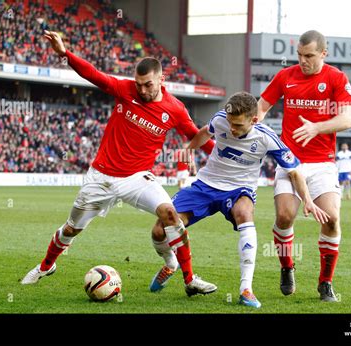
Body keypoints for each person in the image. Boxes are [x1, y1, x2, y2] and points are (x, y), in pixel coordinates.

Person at [21, 30, 217, 296]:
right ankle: (46, 266)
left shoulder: (175, 109)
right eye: (139, 84)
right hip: (100, 177)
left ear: (162, 78)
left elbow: (196, 136)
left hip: (137, 178)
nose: (143, 89)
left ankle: (189, 279)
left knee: (169, 214)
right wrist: (64, 54)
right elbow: (94, 75)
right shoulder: (125, 90)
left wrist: (223, 153)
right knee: (71, 228)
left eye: (148, 84)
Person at [149, 92, 329, 308]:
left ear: (254, 120)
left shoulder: (267, 137)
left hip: (239, 189)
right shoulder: (221, 120)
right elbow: (206, 132)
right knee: (160, 230)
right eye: (230, 123)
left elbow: (294, 172)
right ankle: (171, 264)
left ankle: (246, 289)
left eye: (237, 125)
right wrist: (189, 150)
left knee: (244, 214)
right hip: (206, 184)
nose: (231, 128)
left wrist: (307, 199)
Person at [256, 30, 351, 302]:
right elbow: (262, 105)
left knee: (332, 218)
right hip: (289, 161)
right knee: (285, 216)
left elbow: (348, 118)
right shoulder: (285, 76)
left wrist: (317, 127)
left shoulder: (336, 78)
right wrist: (257, 123)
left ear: (324, 53)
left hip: (322, 163)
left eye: (309, 56)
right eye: (300, 55)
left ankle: (325, 283)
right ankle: (287, 267)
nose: (303, 61)